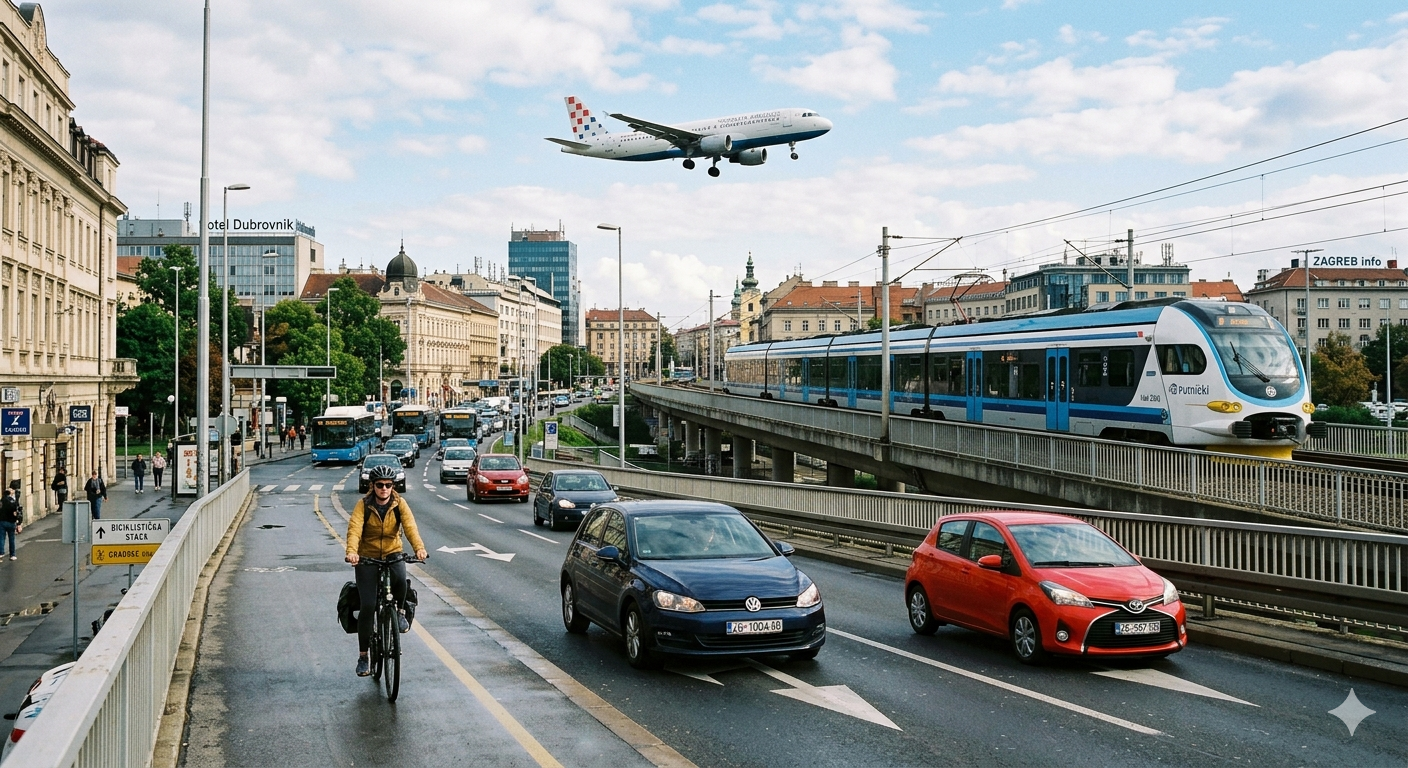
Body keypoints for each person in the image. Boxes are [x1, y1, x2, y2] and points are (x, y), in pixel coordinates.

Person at [344, 465, 427, 677]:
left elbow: (410, 527)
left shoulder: (400, 504)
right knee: (368, 605)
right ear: (373, 486)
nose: (384, 489)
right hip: (367, 556)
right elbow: (354, 530)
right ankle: (364, 657)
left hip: (392, 551)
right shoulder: (363, 505)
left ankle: (399, 613)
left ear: (393, 486)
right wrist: (352, 552)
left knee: (400, 578)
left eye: (388, 485)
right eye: (380, 485)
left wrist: (419, 548)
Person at [0, 488, 19, 561]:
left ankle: (1, 553)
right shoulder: (13, 501)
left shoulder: (1, 501)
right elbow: (15, 512)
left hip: (2, 522)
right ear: (10, 494)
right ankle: (12, 555)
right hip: (11, 522)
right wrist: (17, 522)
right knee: (12, 539)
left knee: (1, 538)